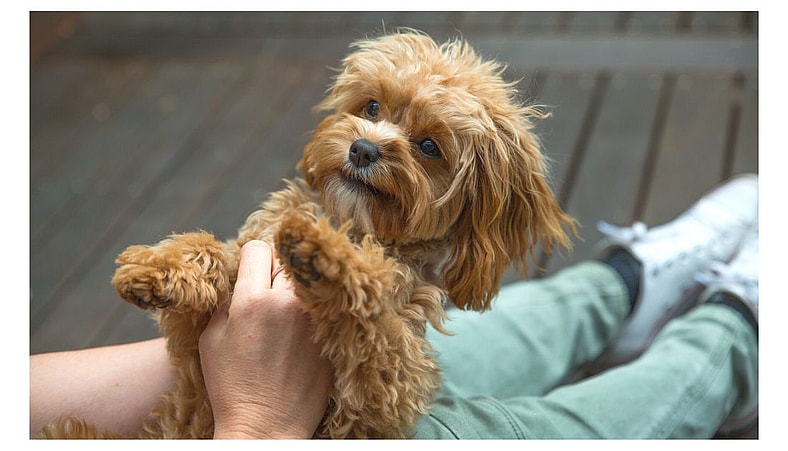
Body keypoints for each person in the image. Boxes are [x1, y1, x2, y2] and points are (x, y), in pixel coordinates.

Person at [29, 174, 759, 439]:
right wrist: (259, 420)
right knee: (532, 430)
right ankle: (739, 328)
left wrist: (228, 329)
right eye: (370, 110)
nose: (371, 141)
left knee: (454, 334)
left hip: (216, 393)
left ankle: (624, 286)